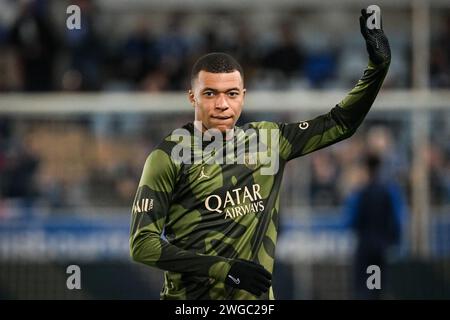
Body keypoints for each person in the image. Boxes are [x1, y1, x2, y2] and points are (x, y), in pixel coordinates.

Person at [129, 9, 391, 300]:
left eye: (231, 93)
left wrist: (377, 68)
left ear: (243, 95)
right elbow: (142, 244)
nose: (222, 104)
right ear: (192, 96)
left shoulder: (267, 140)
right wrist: (223, 269)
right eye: (210, 94)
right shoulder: (168, 156)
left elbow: (339, 123)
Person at [347, 153, 404, 299]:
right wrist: (394, 240)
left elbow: (352, 220)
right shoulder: (387, 192)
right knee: (376, 286)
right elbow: (395, 220)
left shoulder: (360, 193)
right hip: (380, 246)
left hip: (365, 246)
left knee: (363, 287)